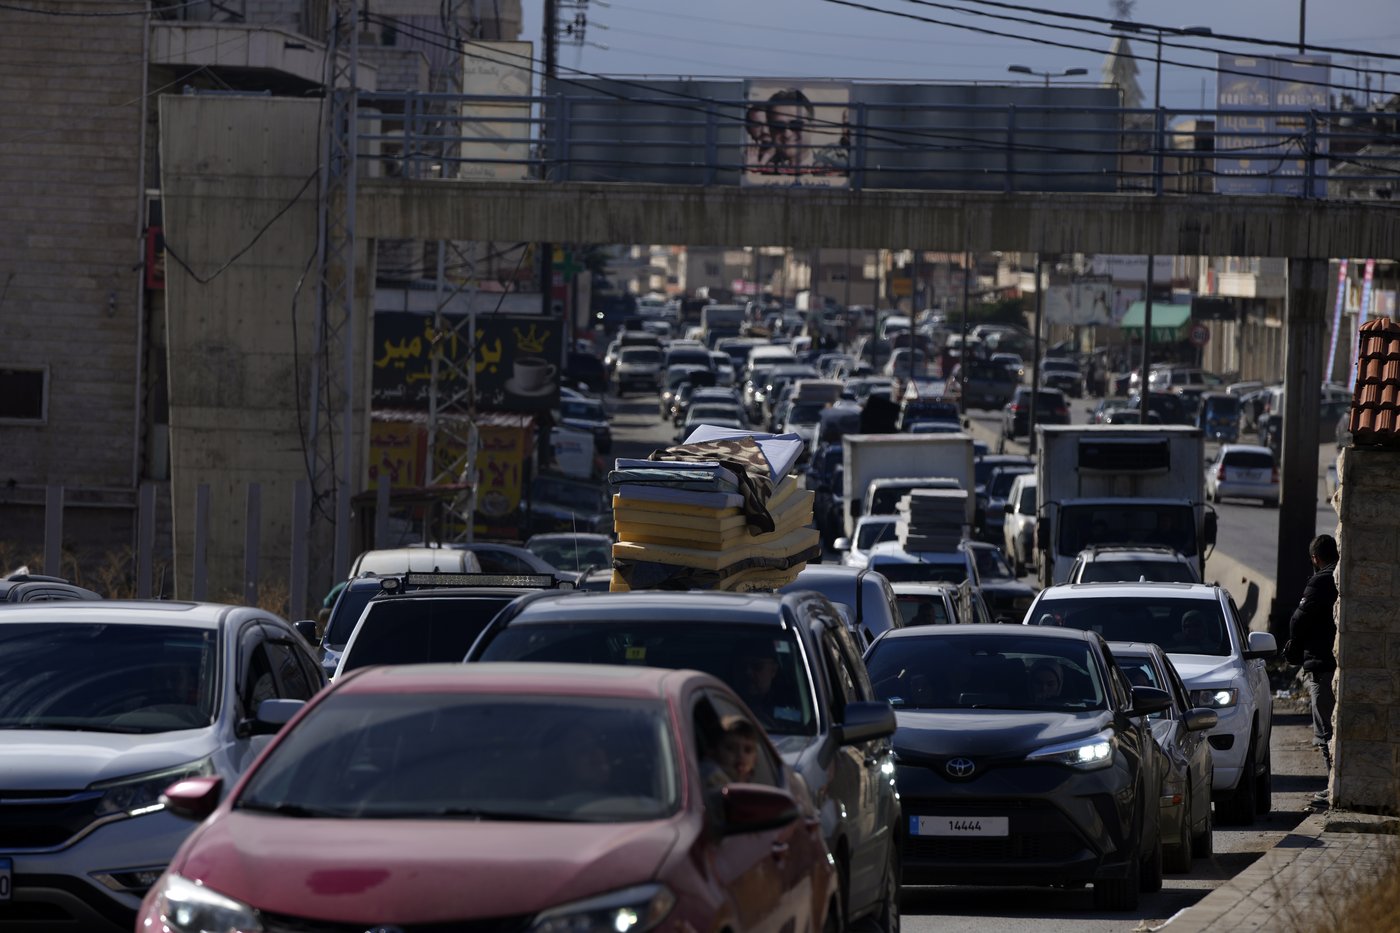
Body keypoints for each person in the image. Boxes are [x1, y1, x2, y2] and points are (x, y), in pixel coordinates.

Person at [1287, 533, 1339, 805]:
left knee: (1325, 731)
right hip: (1335, 663)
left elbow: (1298, 620)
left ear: (1315, 559)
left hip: (1322, 665)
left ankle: (1333, 788)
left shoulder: (1320, 581)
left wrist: (1294, 647)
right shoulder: (1340, 576)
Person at [733, 641, 783, 726]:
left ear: (773, 670)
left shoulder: (793, 704)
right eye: (743, 666)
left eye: (757, 666)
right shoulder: (722, 700)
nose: (748, 672)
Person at [705, 718, 760, 788]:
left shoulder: (753, 783)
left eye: (748, 750)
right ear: (712, 752)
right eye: (731, 748)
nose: (741, 755)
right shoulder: (712, 780)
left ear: (755, 758)